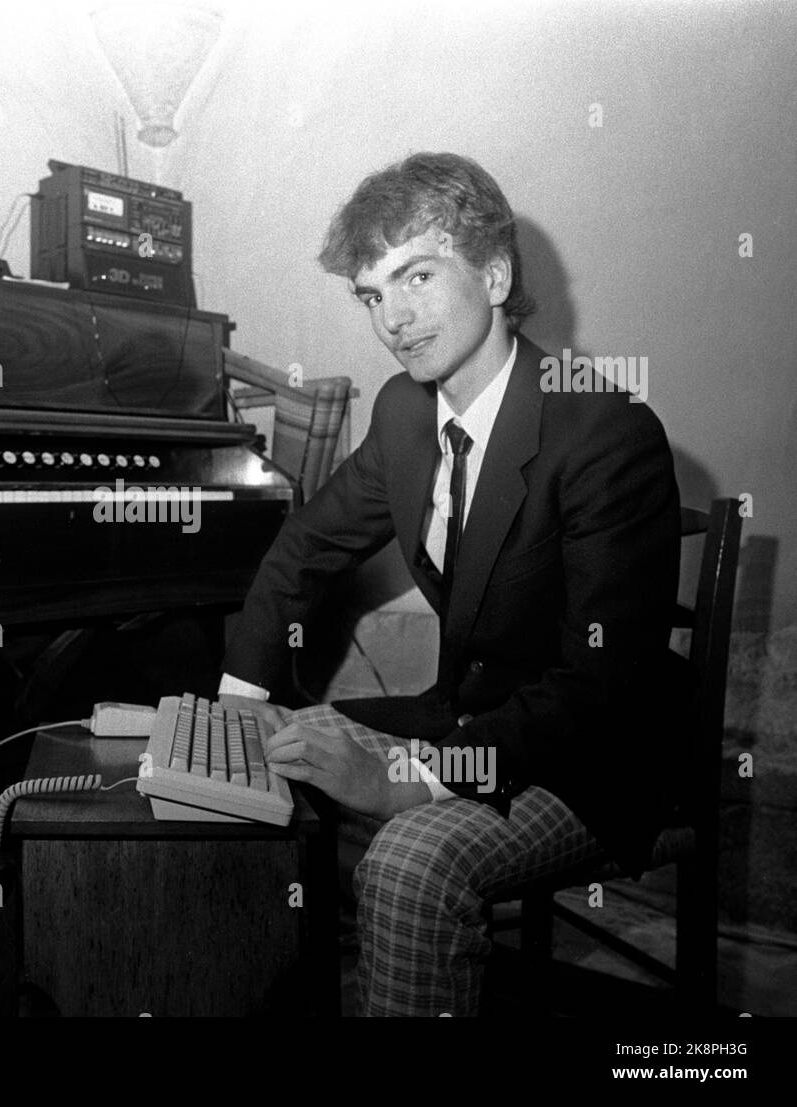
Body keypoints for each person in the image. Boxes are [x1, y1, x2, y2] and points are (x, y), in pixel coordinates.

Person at [218, 152, 686, 1016]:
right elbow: (303, 549)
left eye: (418, 277)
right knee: (272, 746)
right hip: (468, 711)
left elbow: (598, 691)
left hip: (591, 757)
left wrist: (411, 778)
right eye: (371, 294)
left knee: (406, 861)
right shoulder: (404, 410)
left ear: (497, 275)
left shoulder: (605, 431)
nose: (393, 318)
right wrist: (244, 699)